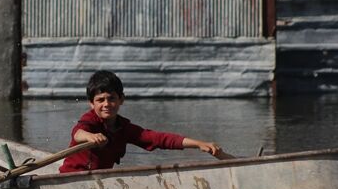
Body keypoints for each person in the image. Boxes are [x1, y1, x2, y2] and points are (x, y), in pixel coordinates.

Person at [59, 70, 223, 173]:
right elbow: (77, 133)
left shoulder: (124, 128)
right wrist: (90, 137)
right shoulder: (91, 120)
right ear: (91, 103)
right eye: (100, 100)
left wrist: (198, 144)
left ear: (121, 99)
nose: (106, 104)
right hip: (71, 179)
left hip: (99, 180)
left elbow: (158, 139)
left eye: (112, 98)